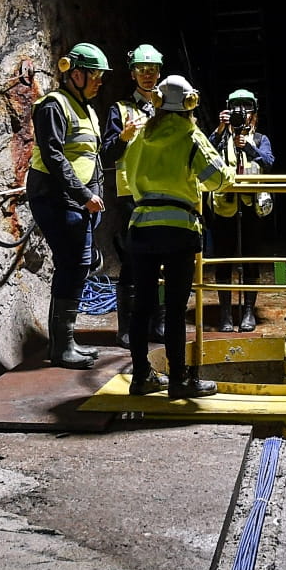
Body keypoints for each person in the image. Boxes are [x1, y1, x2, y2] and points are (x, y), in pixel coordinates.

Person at [122, 75, 237, 398]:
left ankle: (141, 376)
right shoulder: (190, 135)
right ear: (190, 104)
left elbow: (128, 176)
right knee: (174, 308)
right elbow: (216, 179)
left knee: (142, 306)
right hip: (178, 231)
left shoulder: (142, 134)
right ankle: (179, 380)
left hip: (142, 227)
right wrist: (230, 175)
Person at [25, 42, 122, 369]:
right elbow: (53, 156)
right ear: (76, 73)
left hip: (76, 199)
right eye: (95, 75)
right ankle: (62, 345)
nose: (99, 81)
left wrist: (94, 192)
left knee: (76, 264)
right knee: (75, 263)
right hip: (54, 196)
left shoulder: (87, 109)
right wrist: (83, 195)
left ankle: (63, 343)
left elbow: (89, 157)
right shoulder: (53, 106)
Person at [108, 44, 166, 348]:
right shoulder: (120, 110)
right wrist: (123, 137)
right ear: (132, 73)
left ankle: (159, 324)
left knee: (161, 260)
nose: (148, 75)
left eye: (153, 69)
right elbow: (106, 152)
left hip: (163, 193)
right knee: (132, 259)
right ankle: (127, 328)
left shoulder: (168, 107)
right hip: (131, 194)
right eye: (142, 70)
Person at [206, 89, 276, 331]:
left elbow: (269, 162)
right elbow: (205, 153)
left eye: (246, 109)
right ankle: (225, 313)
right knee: (224, 259)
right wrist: (219, 129)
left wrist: (248, 148)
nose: (241, 114)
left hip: (251, 206)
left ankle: (248, 312)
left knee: (250, 259)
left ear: (254, 114)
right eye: (236, 109)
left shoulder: (260, 139)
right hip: (224, 205)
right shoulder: (221, 136)